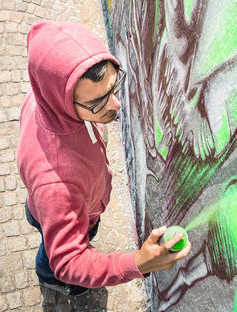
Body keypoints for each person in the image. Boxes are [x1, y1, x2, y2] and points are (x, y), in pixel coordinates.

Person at [16, 21, 191, 296]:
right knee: (51, 257)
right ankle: (48, 278)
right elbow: (69, 260)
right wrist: (139, 262)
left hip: (65, 208)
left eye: (114, 86)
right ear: (60, 98)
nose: (116, 105)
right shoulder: (56, 184)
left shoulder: (45, 99)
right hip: (58, 211)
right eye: (98, 101)